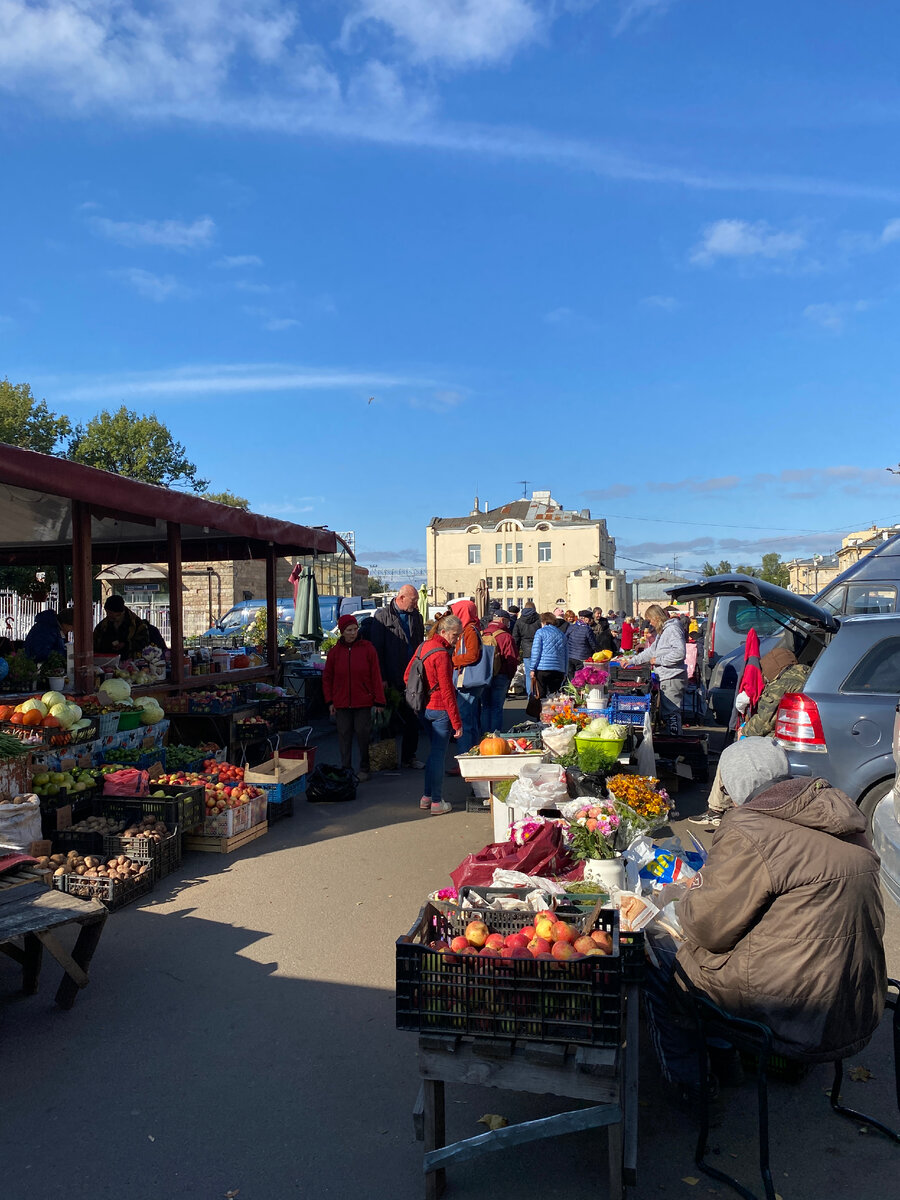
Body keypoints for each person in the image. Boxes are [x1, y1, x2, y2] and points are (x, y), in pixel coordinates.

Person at [645, 738, 886, 1102]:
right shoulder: (839, 813)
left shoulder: (752, 828)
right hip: (855, 1000)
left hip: (797, 1010)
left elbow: (705, 928)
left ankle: (694, 1087)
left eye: (725, 787)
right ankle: (726, 1058)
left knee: (658, 959)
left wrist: (683, 893)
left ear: (737, 786)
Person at [690, 646, 812, 827]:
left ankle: (716, 808)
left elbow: (763, 722)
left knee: (732, 754)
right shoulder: (810, 675)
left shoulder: (781, 685)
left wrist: (744, 731)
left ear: (773, 667)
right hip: (804, 740)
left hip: (781, 741)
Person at [360, 584, 425, 769]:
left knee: (413, 717)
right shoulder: (382, 616)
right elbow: (377, 650)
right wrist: (381, 677)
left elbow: (419, 644)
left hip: (412, 676)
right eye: (414, 600)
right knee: (388, 720)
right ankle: (386, 758)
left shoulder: (416, 617)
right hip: (390, 674)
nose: (416, 603)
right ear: (401, 598)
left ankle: (409, 757)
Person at [405, 612, 463, 815]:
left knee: (433, 754)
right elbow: (448, 691)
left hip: (423, 708)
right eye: (455, 635)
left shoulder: (423, 647)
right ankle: (437, 801)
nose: (456, 640)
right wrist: (457, 723)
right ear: (444, 631)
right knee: (438, 755)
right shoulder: (442, 655)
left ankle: (427, 796)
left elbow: (407, 676)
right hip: (440, 710)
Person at [322, 615, 385, 782]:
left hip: (363, 700)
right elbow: (327, 677)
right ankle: (346, 768)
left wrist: (379, 700)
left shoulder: (368, 648)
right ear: (342, 632)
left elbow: (375, 675)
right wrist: (330, 701)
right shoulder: (335, 652)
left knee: (363, 735)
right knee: (344, 736)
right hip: (341, 702)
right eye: (349, 630)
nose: (352, 633)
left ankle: (365, 767)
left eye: (355, 629)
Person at [628, 603, 686, 735]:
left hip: (672, 676)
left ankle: (675, 743)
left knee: (671, 713)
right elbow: (651, 651)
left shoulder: (672, 630)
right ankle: (673, 741)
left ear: (657, 618)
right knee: (668, 712)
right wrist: (632, 661)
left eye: (651, 620)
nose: (651, 624)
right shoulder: (663, 631)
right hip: (667, 676)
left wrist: (658, 660)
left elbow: (680, 653)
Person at [449, 599, 485, 756]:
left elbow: (472, 655)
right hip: (470, 680)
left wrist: (452, 661)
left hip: (468, 680)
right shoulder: (471, 628)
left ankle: (465, 755)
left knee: (464, 719)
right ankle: (471, 753)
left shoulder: (469, 630)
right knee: (470, 718)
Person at [481, 612, 518, 734]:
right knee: (497, 707)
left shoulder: (482, 633)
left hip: (483, 675)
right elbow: (511, 659)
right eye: (508, 621)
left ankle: (484, 736)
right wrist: (509, 676)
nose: (509, 623)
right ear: (503, 620)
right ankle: (495, 735)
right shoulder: (505, 636)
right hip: (501, 674)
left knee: (485, 707)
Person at [93, 595, 152, 660]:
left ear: (120, 613)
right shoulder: (103, 625)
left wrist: (125, 645)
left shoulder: (136, 624)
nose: (108, 615)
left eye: (111, 613)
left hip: (131, 661)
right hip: (107, 662)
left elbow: (144, 642)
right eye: (107, 612)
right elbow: (94, 642)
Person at [530, 612, 569, 697]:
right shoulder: (562, 634)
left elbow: (536, 651)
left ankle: (541, 710)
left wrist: (532, 668)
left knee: (541, 695)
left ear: (543, 622)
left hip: (543, 667)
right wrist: (565, 671)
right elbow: (566, 655)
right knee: (554, 696)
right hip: (558, 669)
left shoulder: (540, 632)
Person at [512, 601, 541, 696]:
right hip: (540, 650)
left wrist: (516, 653)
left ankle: (530, 696)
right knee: (540, 674)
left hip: (527, 651)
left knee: (529, 675)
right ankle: (540, 695)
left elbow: (516, 638)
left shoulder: (519, 621)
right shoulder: (539, 620)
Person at [566, 610, 597, 676]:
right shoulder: (587, 629)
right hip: (582, 657)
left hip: (570, 656)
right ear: (585, 619)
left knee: (570, 676)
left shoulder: (571, 627)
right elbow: (593, 644)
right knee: (580, 677)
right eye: (590, 619)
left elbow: (565, 638)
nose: (590, 621)